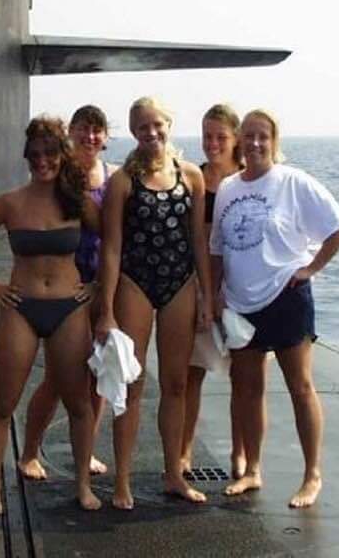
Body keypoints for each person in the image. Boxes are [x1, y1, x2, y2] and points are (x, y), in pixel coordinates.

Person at [209, 108, 339, 508]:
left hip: (286, 296)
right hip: (241, 303)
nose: (255, 143)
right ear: (240, 140)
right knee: (247, 389)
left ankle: (312, 476)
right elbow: (217, 246)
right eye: (249, 136)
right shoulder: (228, 188)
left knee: (300, 387)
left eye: (263, 136)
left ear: (274, 142)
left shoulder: (293, 181)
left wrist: (310, 268)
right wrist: (215, 292)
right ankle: (252, 470)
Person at [0, 116, 101, 515]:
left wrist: (96, 284)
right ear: (27, 157)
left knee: (78, 403)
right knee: (2, 403)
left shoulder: (77, 202)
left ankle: (82, 484)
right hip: (21, 308)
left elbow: (111, 239)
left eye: (50, 153)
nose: (42, 161)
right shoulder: (11, 202)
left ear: (62, 155)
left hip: (69, 307)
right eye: (35, 155)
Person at [96, 96, 214, 510]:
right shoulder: (123, 181)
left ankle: (173, 474)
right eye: (143, 127)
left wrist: (206, 295)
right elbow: (112, 247)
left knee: (176, 384)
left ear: (168, 124)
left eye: (157, 124)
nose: (151, 132)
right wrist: (106, 309)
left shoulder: (191, 176)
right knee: (133, 383)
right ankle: (122, 480)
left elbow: (198, 239)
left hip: (179, 282)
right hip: (135, 282)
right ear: (134, 132)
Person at [18, 104, 118, 481]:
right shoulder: (61, 176)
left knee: (98, 376)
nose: (89, 136)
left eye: (97, 130)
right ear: (70, 134)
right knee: (59, 379)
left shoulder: (115, 177)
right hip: (66, 286)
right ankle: (29, 451)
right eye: (82, 129)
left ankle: (85, 452)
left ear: (105, 137)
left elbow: (114, 236)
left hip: (102, 282)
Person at [180, 104, 252, 479]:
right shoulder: (194, 178)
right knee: (192, 372)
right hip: (198, 283)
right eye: (207, 136)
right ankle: (184, 451)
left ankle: (241, 453)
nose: (212, 143)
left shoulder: (248, 180)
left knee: (244, 376)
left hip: (240, 289)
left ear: (235, 138)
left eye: (220, 137)